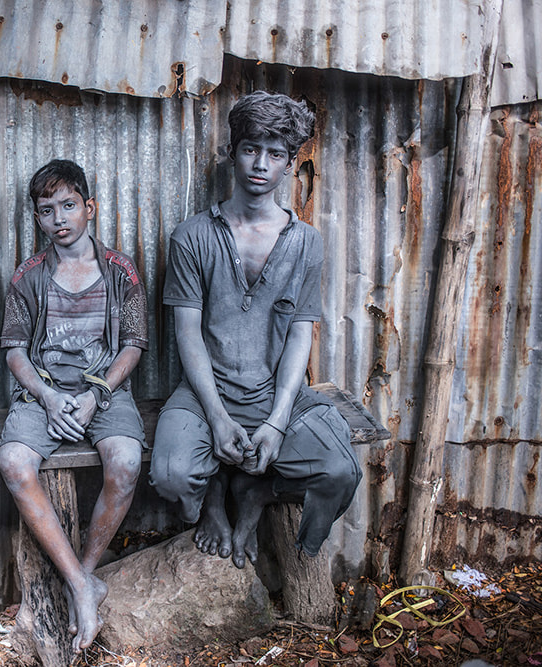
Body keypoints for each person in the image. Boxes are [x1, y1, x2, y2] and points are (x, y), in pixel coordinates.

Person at [150, 91, 361, 569]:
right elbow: (187, 334)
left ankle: (254, 492)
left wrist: (276, 421)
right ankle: (210, 502)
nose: (260, 164)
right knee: (171, 475)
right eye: (250, 149)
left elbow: (299, 334)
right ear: (232, 151)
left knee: (339, 471)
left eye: (275, 153)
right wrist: (219, 416)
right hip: (208, 391)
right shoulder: (192, 236)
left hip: (274, 391)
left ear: (290, 163)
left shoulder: (306, 242)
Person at [0, 159, 147, 653]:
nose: (59, 219)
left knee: (125, 461)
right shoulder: (29, 275)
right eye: (46, 211)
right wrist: (47, 394)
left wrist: (98, 392)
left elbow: (134, 345)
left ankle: (84, 572)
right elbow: (15, 350)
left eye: (68, 206)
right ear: (37, 219)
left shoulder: (120, 271)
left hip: (103, 391)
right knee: (14, 462)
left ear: (89, 208)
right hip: (44, 393)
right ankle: (82, 585)